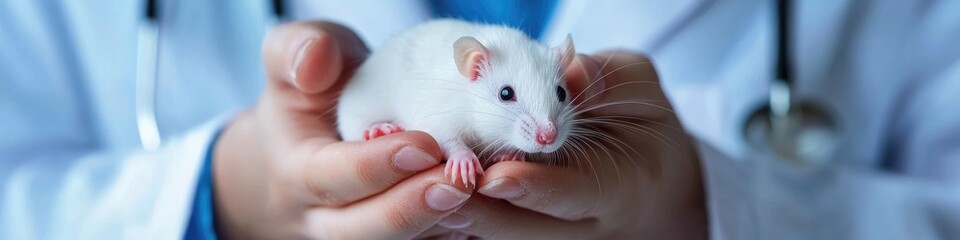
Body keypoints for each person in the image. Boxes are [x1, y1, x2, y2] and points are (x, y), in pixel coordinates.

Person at [1, 1, 957, 239]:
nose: (546, 130)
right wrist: (222, 201)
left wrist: (717, 209)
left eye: (559, 110)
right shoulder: (455, 75)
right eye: (514, 104)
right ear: (474, 74)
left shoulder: (526, 85)